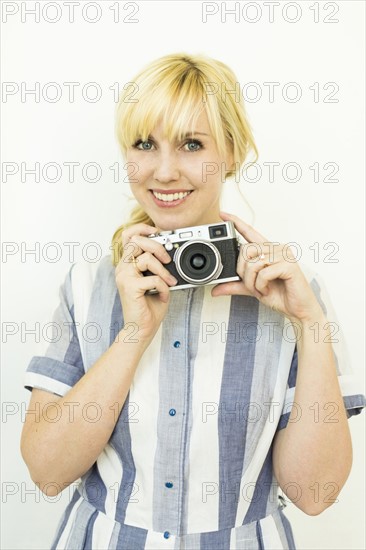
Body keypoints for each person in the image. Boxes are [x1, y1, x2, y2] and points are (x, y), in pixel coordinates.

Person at [21, 53, 365, 550]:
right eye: (144, 144)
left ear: (231, 153)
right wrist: (133, 334)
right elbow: (47, 472)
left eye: (191, 144)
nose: (164, 171)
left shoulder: (296, 292)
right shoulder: (85, 285)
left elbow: (314, 493)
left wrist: (310, 326)